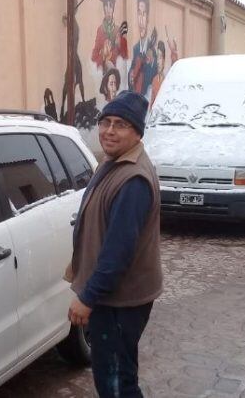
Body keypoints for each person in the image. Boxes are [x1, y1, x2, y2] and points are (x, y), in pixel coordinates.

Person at [66, 91, 162, 398]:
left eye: (120, 124)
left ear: (136, 132)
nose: (109, 130)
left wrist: (88, 297)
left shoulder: (132, 179)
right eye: (105, 122)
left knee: (116, 383)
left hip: (119, 301)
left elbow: (118, 252)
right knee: (119, 375)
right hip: (115, 298)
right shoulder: (114, 163)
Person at [128, 0, 157, 97]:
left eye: (144, 14)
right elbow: (131, 76)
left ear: (148, 18)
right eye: (139, 13)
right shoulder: (135, 48)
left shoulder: (152, 52)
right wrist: (131, 74)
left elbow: (152, 80)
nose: (141, 20)